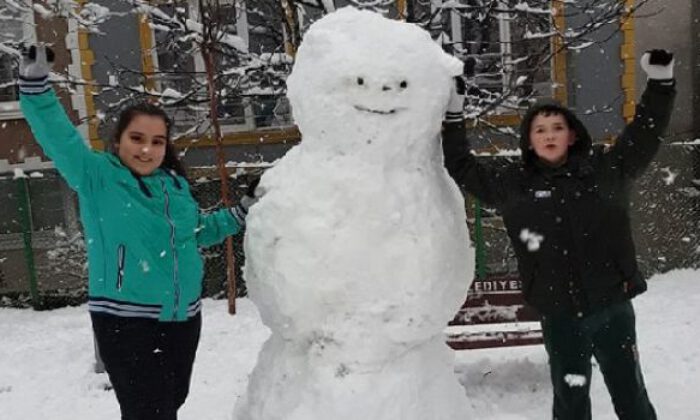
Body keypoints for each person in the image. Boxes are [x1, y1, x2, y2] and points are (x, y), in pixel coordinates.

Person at [19, 45, 257, 420]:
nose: (147, 149)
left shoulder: (174, 187)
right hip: (126, 320)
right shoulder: (97, 176)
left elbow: (195, 233)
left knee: (172, 400)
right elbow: (58, 136)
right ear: (119, 140)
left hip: (182, 317)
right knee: (150, 410)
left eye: (157, 141)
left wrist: (240, 213)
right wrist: (35, 85)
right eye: (137, 138)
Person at [442, 50, 676, 420]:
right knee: (570, 400)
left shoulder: (606, 172)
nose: (549, 135)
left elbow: (645, 134)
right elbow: (461, 165)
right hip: (560, 315)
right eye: (539, 129)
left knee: (630, 393)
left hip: (611, 307)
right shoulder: (513, 185)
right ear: (529, 140)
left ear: (571, 136)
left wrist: (661, 84)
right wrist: (453, 114)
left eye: (556, 128)